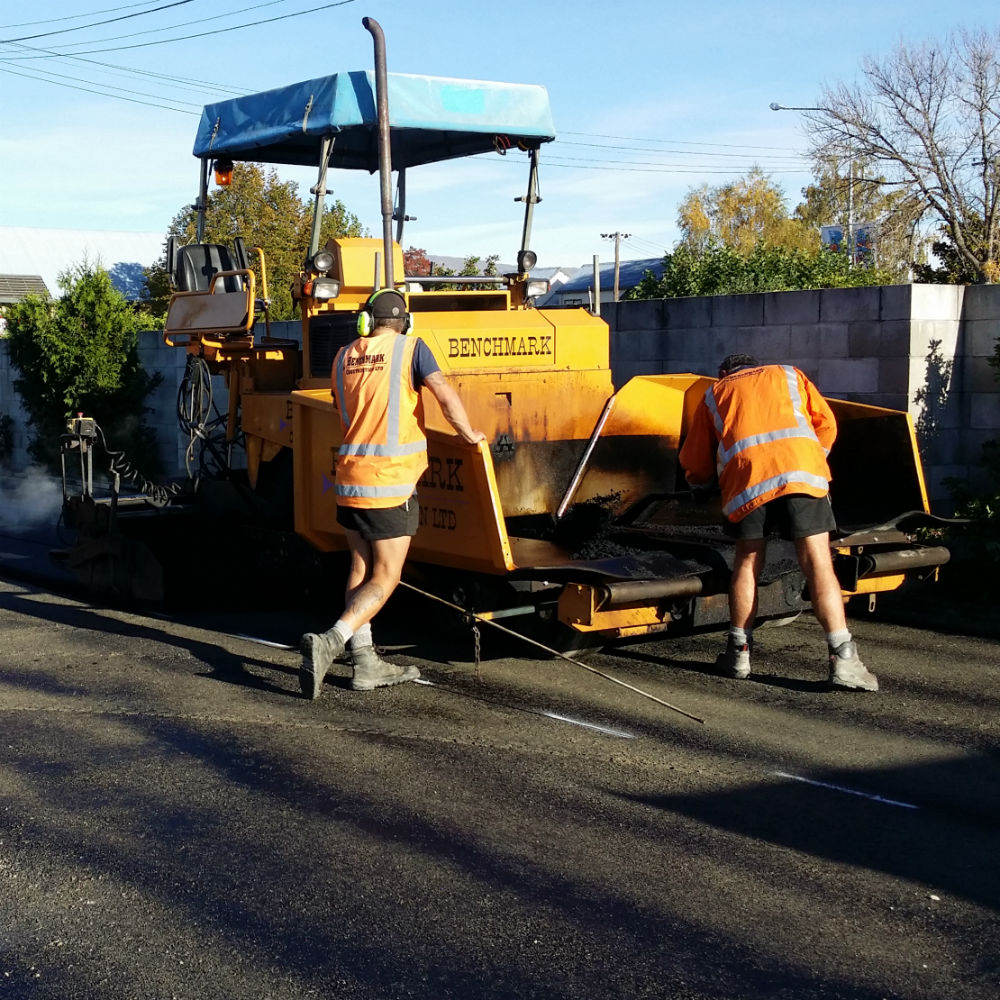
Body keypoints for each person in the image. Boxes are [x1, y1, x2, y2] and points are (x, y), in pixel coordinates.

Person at [299, 288, 486, 699]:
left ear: (367, 321)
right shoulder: (411, 350)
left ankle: (364, 663)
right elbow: (444, 394)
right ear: (405, 321)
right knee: (387, 575)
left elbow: (343, 404)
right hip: (390, 482)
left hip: (349, 480)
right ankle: (332, 640)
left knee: (360, 569)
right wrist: (469, 435)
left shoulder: (343, 355)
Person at [678, 353, 879, 692]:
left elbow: (696, 458)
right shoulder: (789, 374)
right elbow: (826, 425)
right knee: (818, 562)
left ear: (722, 372)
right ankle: (844, 659)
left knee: (747, 563)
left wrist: (698, 484)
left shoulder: (716, 392)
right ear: (756, 365)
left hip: (748, 483)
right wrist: (811, 459)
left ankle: (738, 655)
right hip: (801, 474)